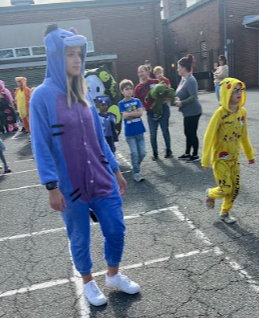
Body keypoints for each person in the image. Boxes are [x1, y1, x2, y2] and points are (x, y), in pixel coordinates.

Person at [30, 24, 140, 307]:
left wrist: (116, 169)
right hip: (69, 185)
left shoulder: (84, 93)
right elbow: (40, 144)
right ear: (56, 57)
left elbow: (100, 139)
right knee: (79, 236)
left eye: (79, 54)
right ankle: (88, 281)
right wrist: (51, 186)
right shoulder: (42, 96)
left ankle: (113, 275)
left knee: (115, 228)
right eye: (70, 54)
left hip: (101, 176)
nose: (77, 60)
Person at [202, 77, 255, 224]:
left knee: (235, 188)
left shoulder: (242, 113)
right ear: (227, 93)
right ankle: (210, 193)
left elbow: (244, 136)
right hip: (220, 160)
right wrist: (205, 160)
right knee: (226, 188)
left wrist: (249, 154)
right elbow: (209, 136)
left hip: (234, 159)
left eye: (240, 90)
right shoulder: (219, 114)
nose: (239, 93)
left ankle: (224, 213)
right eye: (235, 90)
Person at [135, 65, 172, 160]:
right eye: (139, 72)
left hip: (162, 109)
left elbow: (167, 91)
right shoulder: (138, 88)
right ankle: (155, 153)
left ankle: (168, 150)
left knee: (165, 131)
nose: (140, 74)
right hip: (150, 113)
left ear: (147, 72)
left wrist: (165, 98)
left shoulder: (156, 82)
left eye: (142, 71)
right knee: (153, 134)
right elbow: (136, 102)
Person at [175, 54, 202, 162]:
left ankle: (195, 155)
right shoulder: (183, 79)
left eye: (178, 67)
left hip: (194, 111)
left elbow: (194, 96)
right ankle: (187, 153)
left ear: (183, 68)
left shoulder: (191, 80)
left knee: (191, 133)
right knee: (187, 132)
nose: (177, 69)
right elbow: (180, 93)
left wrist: (182, 102)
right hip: (187, 112)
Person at [118, 79, 146, 182]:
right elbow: (125, 116)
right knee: (134, 153)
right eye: (126, 89)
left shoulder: (137, 101)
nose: (129, 91)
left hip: (140, 131)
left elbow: (140, 113)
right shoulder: (121, 103)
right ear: (122, 91)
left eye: (130, 89)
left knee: (142, 152)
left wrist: (130, 114)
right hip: (130, 133)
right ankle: (137, 173)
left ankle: (135, 166)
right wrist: (134, 112)